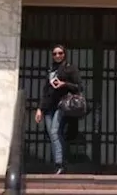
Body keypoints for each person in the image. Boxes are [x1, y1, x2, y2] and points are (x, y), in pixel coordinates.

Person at [34, 44, 82, 174]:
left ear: (64, 54)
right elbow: (46, 91)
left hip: (62, 105)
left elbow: (79, 86)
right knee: (53, 134)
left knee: (55, 132)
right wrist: (40, 109)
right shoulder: (51, 69)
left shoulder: (70, 68)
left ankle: (59, 164)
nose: (57, 56)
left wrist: (64, 84)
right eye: (55, 53)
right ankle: (60, 162)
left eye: (60, 53)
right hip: (49, 107)